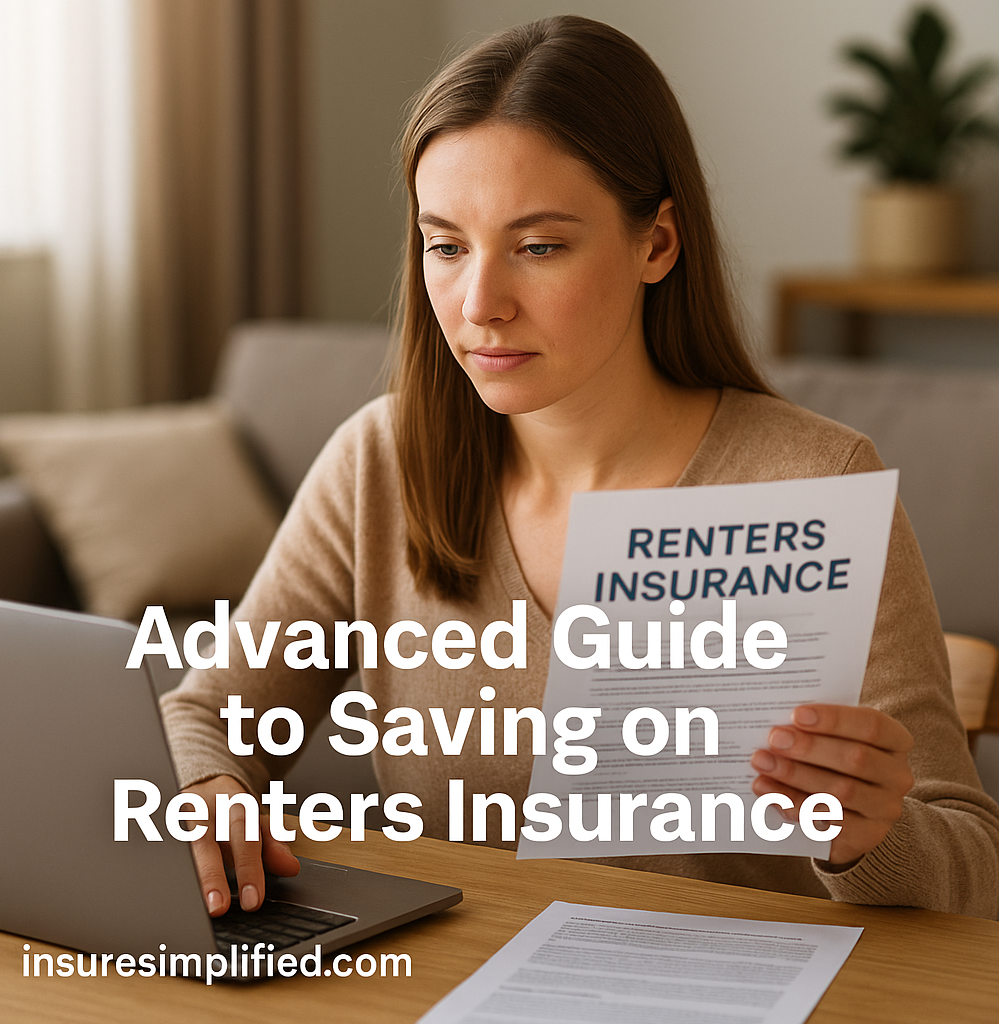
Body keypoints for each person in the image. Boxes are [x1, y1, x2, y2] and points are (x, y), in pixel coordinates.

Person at [160, 15, 999, 919]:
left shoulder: (815, 482)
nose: (480, 304)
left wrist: (870, 835)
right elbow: (200, 714)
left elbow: (973, 865)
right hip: (456, 989)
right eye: (446, 245)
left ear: (657, 244)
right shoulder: (383, 461)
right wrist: (210, 786)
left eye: (539, 246)